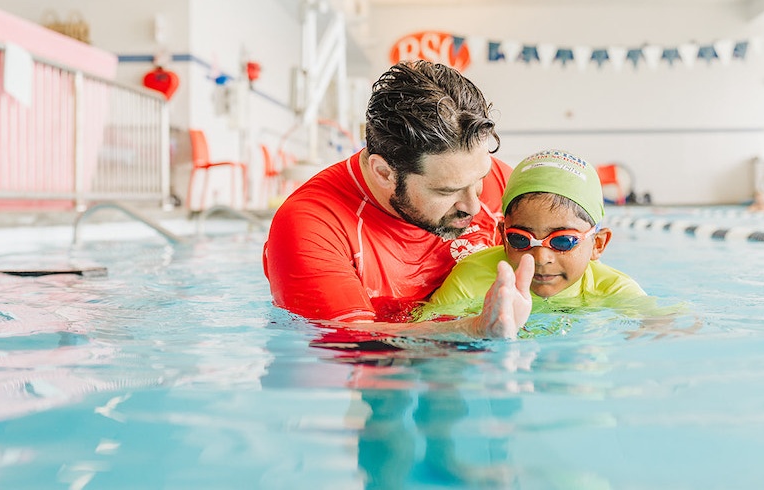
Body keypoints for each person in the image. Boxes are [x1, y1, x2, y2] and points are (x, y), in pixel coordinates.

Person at [263, 60, 533, 339]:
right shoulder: (312, 226)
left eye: (479, 179)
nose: (474, 206)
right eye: (446, 191)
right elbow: (351, 341)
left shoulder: (497, 180)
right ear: (384, 173)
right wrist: (473, 330)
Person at [414, 149, 647, 323]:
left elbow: (661, 330)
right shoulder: (472, 277)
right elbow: (421, 335)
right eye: (520, 239)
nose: (541, 257)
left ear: (597, 244)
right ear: (503, 236)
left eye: (562, 240)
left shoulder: (614, 290)